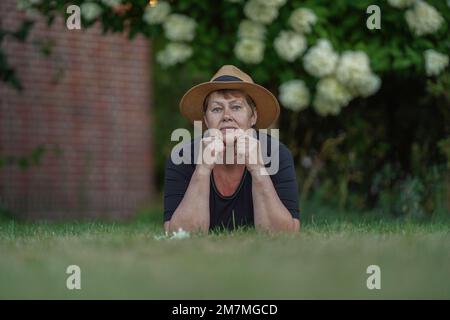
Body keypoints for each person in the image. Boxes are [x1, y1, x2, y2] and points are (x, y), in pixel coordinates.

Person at [163, 65, 300, 233]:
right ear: (206, 120)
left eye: (236, 107)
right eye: (217, 109)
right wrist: (203, 169)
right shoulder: (182, 156)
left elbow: (285, 234)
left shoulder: (277, 154)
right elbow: (179, 234)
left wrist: (258, 169)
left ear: (253, 116)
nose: (227, 116)